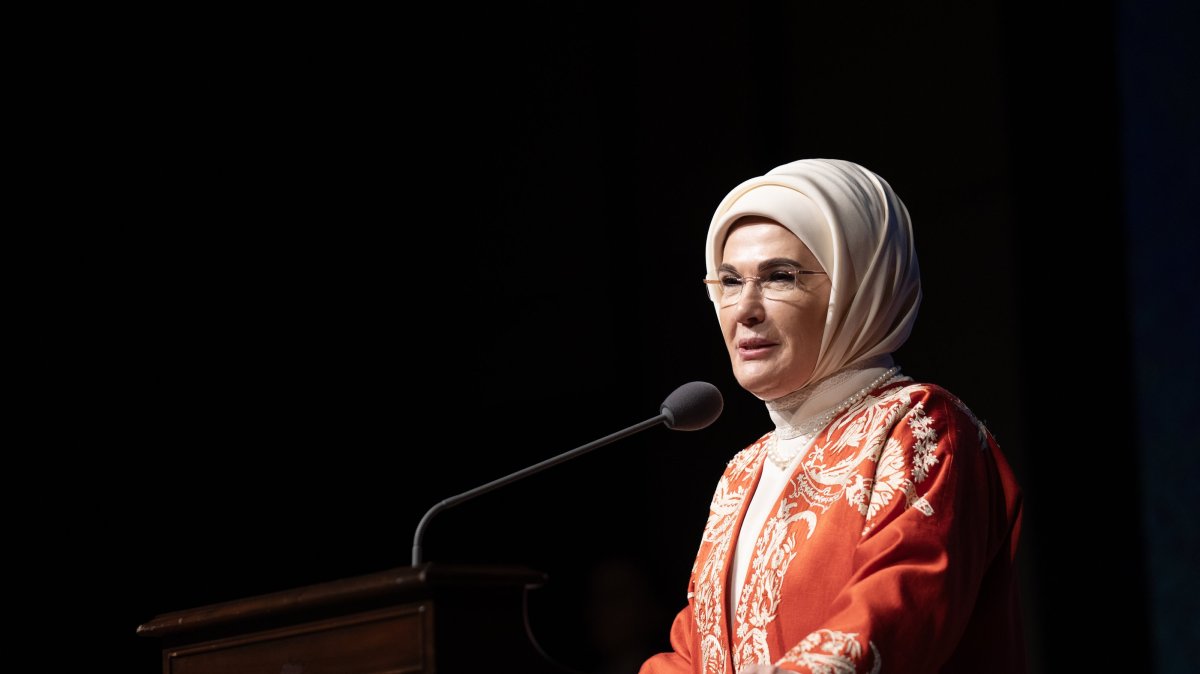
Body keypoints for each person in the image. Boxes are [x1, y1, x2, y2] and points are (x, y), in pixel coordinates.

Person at [639, 158, 1025, 674]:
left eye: (780, 276)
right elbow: (695, 648)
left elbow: (888, 623)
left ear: (858, 284)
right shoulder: (745, 470)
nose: (744, 309)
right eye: (729, 282)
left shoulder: (920, 426)